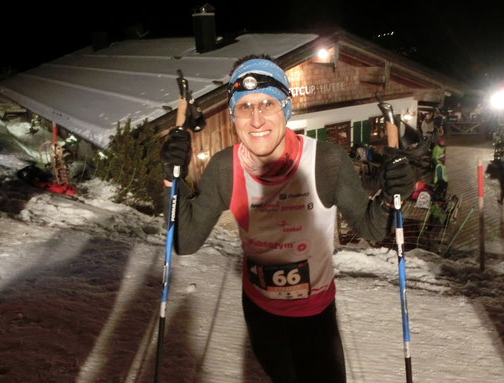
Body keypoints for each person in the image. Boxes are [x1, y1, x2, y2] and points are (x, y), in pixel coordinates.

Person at [159, 55, 415, 382]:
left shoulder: (326, 161)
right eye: (244, 106)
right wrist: (172, 179)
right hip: (261, 314)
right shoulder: (225, 168)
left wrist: (394, 195)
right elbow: (184, 241)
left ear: (287, 109)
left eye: (268, 103)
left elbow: (372, 227)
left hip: (316, 317)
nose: (256, 119)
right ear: (233, 116)